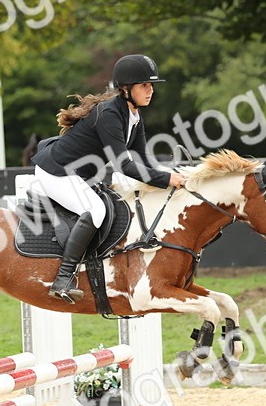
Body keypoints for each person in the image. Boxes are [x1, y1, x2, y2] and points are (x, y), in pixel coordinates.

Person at [31, 54, 186, 303]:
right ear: (126, 88)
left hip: (79, 175)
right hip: (57, 171)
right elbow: (124, 166)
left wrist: (171, 176)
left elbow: (144, 160)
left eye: (151, 85)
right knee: (96, 211)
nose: (150, 91)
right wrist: (166, 179)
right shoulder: (110, 115)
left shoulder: (133, 117)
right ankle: (63, 279)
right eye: (144, 85)